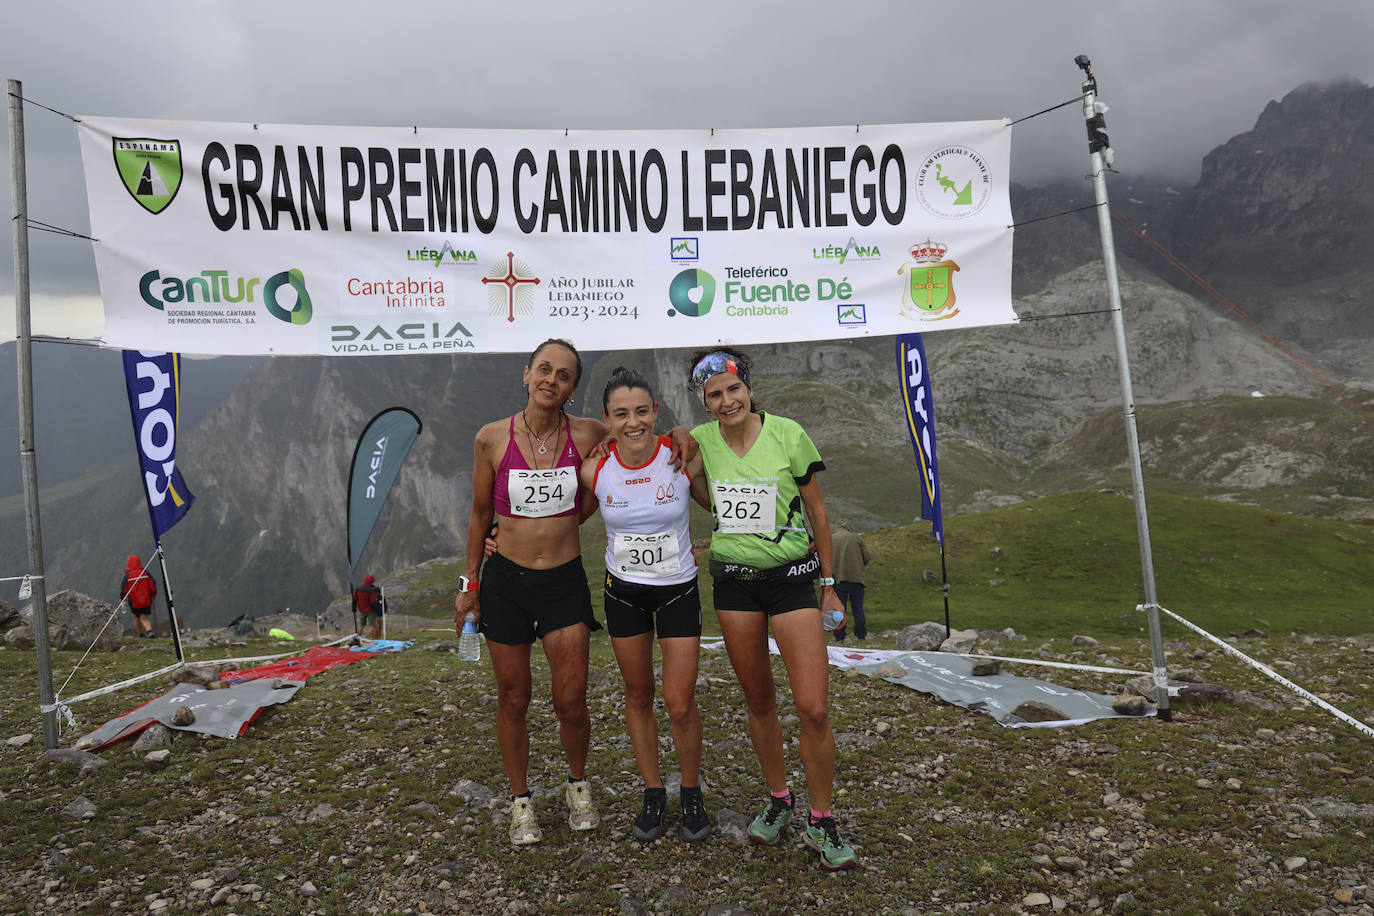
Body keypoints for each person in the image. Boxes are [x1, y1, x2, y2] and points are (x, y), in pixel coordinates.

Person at [456, 339, 696, 847]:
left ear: (572, 388)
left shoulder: (588, 433)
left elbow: (635, 437)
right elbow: (479, 515)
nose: (552, 380)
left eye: (564, 375)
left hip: (564, 581)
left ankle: (577, 785)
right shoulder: (489, 439)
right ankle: (520, 801)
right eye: (544, 369)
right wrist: (469, 584)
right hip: (506, 584)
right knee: (513, 697)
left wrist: (679, 432)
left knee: (570, 700)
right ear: (526, 374)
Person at [686, 347, 858, 870]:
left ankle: (822, 819)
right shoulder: (699, 442)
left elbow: (819, 512)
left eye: (732, 389)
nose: (726, 400)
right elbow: (691, 482)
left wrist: (829, 584)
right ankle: (780, 799)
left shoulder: (788, 433)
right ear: (704, 402)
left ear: (748, 388)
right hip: (735, 583)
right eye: (714, 395)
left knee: (814, 707)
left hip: (791, 581)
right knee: (758, 698)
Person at [583, 367, 712, 842]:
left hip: (678, 588)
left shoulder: (681, 458)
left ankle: (692, 791)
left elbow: (717, 503)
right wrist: (497, 538)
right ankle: (654, 792)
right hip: (624, 593)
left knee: (679, 702)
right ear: (607, 420)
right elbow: (562, 519)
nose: (632, 422)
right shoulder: (594, 469)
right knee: (638, 695)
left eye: (641, 411)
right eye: (621, 414)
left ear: (656, 412)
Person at [829, 520, 871, 642]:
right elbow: (867, 557)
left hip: (838, 580)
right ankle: (861, 636)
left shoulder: (832, 538)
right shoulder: (856, 538)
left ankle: (840, 637)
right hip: (856, 579)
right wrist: (859, 567)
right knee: (858, 608)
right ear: (848, 526)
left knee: (839, 609)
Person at [120, 555, 157, 638]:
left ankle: (141, 634)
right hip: (146, 600)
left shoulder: (127, 576)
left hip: (134, 601)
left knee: (136, 617)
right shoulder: (145, 573)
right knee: (144, 617)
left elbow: (124, 589)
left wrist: (122, 599)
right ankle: (149, 631)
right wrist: (153, 595)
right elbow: (152, 584)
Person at [354, 575, 383, 639]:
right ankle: (371, 639)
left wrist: (354, 608)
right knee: (372, 625)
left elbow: (355, 599)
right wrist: (377, 610)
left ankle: (358, 638)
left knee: (361, 625)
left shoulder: (357, 589)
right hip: (370, 610)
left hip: (361, 610)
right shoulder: (371, 590)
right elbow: (373, 602)